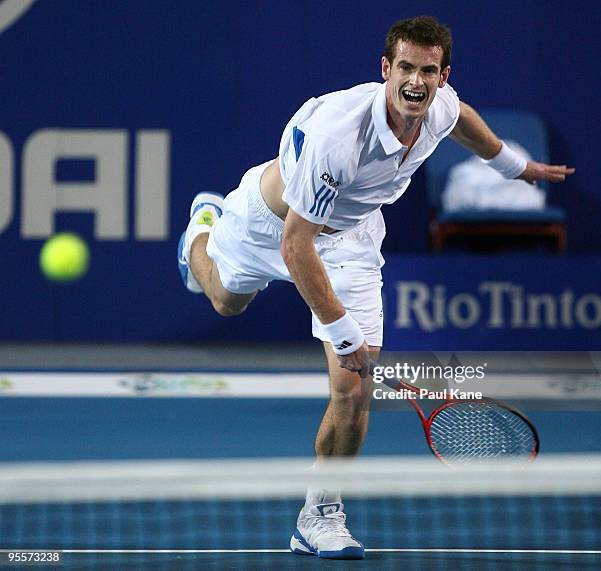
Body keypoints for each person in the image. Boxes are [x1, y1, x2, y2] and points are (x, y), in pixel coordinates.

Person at [177, 15, 574, 559]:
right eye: (405, 68)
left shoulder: (437, 105)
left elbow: (463, 121)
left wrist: (512, 166)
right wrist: (344, 335)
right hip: (273, 224)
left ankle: (319, 513)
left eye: (428, 71)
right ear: (386, 69)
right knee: (224, 299)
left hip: (354, 237)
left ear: (442, 74)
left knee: (353, 389)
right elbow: (297, 248)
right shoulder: (339, 139)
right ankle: (202, 228)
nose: (416, 81)